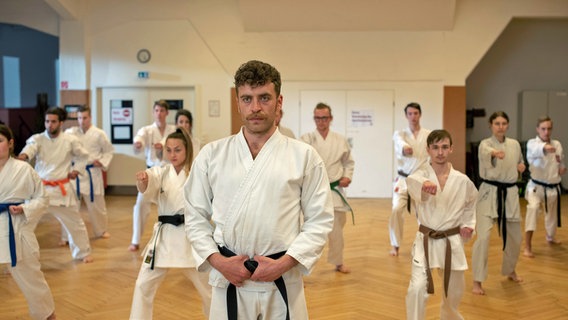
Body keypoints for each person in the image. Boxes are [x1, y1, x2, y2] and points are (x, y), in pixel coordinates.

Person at [184, 60, 334, 319]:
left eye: (264, 98)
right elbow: (194, 216)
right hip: (229, 279)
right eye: (247, 98)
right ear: (238, 102)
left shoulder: (304, 156)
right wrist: (218, 262)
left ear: (279, 102)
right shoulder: (212, 155)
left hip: (282, 278)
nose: (255, 107)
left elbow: (320, 220)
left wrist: (284, 264)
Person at [130, 128, 211, 319]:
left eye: (177, 150)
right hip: (164, 238)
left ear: (187, 150)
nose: (172, 154)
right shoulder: (161, 172)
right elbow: (148, 185)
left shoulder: (197, 173)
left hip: (192, 237)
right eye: (169, 150)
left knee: (209, 289)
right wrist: (142, 181)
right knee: (143, 284)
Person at [405, 129, 477, 320]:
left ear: (451, 149)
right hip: (426, 240)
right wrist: (424, 186)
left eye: (444, 147)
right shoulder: (419, 176)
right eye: (435, 147)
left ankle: (449, 317)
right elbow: (413, 184)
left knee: (453, 293)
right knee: (417, 288)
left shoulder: (462, 180)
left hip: (451, 240)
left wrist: (468, 224)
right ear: (428, 150)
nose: (440, 152)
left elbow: (471, 204)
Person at [17, 107, 93, 263]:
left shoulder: (70, 140)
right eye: (47, 121)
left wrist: (77, 170)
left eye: (53, 122)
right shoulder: (37, 139)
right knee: (24, 223)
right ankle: (17, 256)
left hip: (61, 189)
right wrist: (24, 156)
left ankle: (82, 253)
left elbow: (83, 156)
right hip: (39, 191)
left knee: (75, 223)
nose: (49, 125)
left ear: (61, 123)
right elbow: (29, 149)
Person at [0, 124, 57, 320]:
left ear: (10, 143)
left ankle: (46, 315)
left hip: (15, 227)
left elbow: (43, 199)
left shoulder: (24, 170)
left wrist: (24, 208)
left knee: (31, 277)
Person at [471, 111, 525, 295]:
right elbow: (486, 154)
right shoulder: (485, 145)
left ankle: (510, 269)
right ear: (491, 125)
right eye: (497, 123)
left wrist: (521, 168)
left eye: (503, 123)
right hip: (488, 193)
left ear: (508, 125)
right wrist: (494, 153)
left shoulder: (515, 144)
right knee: (483, 238)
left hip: (509, 194)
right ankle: (477, 280)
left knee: (515, 238)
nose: (500, 126)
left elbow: (519, 163)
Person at [300, 102, 355, 273]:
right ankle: (302, 266)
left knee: (337, 230)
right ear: (314, 119)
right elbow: (299, 163)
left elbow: (348, 162)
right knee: (308, 231)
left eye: (324, 118)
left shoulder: (340, 140)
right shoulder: (306, 139)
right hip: (313, 192)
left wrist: (347, 176)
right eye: (317, 118)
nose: (321, 121)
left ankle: (338, 262)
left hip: (334, 190)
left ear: (330, 118)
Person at [129, 100, 176, 251]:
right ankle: (135, 240)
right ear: (153, 112)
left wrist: (163, 145)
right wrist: (138, 143)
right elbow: (140, 138)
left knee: (173, 206)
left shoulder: (173, 129)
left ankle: (173, 240)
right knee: (140, 205)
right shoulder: (147, 130)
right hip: (151, 173)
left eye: (162, 111)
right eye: (156, 110)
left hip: (169, 173)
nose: (159, 114)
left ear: (167, 113)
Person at [65, 105, 114, 240]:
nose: (82, 121)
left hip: (92, 172)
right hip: (75, 172)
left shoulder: (99, 133)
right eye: (79, 118)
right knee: (70, 206)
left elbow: (109, 151)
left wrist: (102, 162)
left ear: (90, 117)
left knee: (97, 205)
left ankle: (101, 231)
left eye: (85, 118)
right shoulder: (70, 133)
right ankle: (67, 236)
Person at [389, 102, 431, 256]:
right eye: (410, 114)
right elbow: (400, 143)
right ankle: (395, 244)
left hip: (421, 180)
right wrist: (405, 147)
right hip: (402, 179)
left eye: (416, 113)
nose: (413, 116)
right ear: (406, 116)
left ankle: (425, 244)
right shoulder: (400, 134)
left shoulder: (428, 134)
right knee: (396, 209)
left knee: (423, 214)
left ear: (420, 114)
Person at [523, 116, 566, 258]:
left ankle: (550, 236)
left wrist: (562, 168)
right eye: (543, 128)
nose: (546, 132)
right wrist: (545, 147)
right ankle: (527, 246)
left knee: (552, 216)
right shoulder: (532, 144)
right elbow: (539, 149)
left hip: (553, 187)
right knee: (533, 209)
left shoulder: (557, 144)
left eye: (549, 128)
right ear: (537, 129)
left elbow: (560, 161)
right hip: (536, 187)